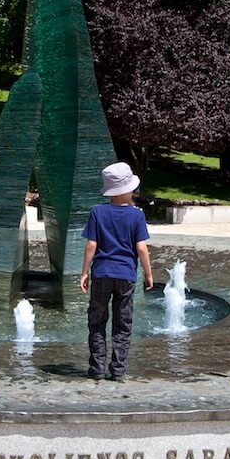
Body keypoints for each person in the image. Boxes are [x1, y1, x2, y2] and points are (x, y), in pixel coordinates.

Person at [79, 162, 154, 382]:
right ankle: (118, 370)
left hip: (101, 273)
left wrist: (84, 272)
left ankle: (97, 368)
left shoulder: (97, 212)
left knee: (97, 322)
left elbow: (91, 245)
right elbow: (141, 248)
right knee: (123, 324)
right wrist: (148, 274)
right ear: (127, 189)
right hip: (126, 276)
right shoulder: (136, 216)